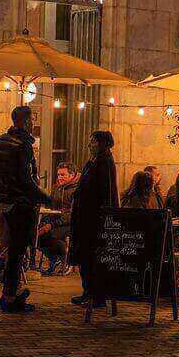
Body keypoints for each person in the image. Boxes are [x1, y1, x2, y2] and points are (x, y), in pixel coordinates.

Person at [0, 105, 52, 313]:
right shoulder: (22, 145)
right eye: (32, 120)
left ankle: (9, 293)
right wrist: (45, 197)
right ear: (25, 122)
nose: (33, 124)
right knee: (17, 250)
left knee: (11, 251)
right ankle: (10, 296)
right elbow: (25, 179)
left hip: (1, 202)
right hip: (19, 203)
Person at [68, 131, 119, 307]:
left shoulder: (104, 163)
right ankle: (88, 291)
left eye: (93, 142)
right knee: (85, 256)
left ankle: (95, 295)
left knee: (92, 256)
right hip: (85, 216)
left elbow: (103, 192)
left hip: (94, 218)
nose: (90, 145)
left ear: (102, 144)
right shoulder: (94, 161)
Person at [36, 162, 79, 275]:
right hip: (54, 220)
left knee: (49, 234)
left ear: (72, 175)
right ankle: (54, 259)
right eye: (58, 175)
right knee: (34, 234)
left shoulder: (77, 190)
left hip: (70, 223)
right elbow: (51, 206)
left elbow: (73, 213)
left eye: (63, 175)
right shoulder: (57, 188)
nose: (59, 177)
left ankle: (65, 258)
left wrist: (52, 225)